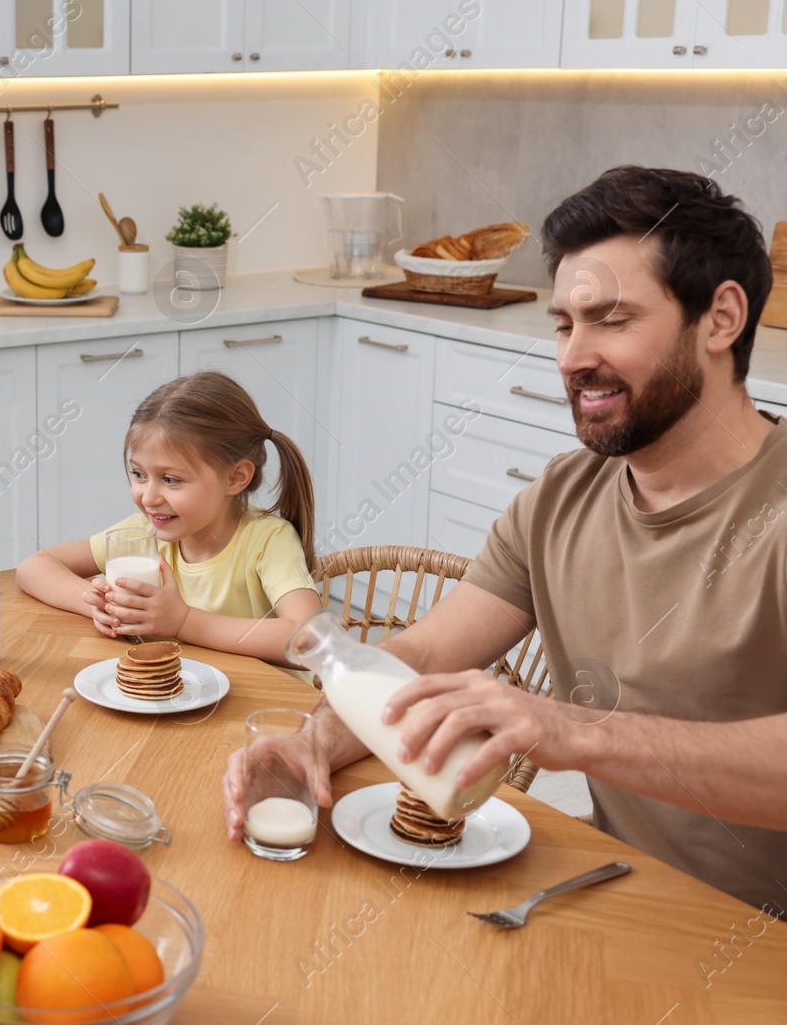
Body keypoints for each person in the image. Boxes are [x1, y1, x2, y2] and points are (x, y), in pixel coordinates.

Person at [223, 165, 787, 913]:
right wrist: (315, 742)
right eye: (563, 323)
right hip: (620, 885)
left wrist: (572, 730)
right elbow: (422, 654)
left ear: (721, 318)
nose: (572, 357)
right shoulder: (562, 496)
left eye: (612, 321)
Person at [18, 370, 322, 673]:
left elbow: (308, 639)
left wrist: (184, 621)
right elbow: (34, 567)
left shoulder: (268, 540)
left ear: (235, 478)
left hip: (260, 708)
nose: (148, 497)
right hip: (175, 697)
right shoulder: (141, 534)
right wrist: (95, 604)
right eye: (138, 474)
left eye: (170, 479)